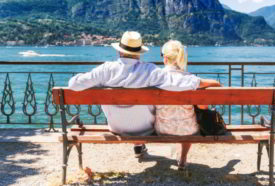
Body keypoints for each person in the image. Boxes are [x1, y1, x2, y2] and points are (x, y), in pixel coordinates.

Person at [68, 31, 217, 159]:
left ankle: (138, 146)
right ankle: (140, 144)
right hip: (145, 129)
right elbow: (177, 82)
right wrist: (203, 82)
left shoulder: (105, 70)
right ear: (139, 52)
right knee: (144, 112)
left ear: (119, 50)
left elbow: (73, 84)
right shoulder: (149, 70)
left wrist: (94, 77)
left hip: (116, 128)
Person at [155, 40, 221, 170]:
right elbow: (217, 84)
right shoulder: (191, 80)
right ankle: (183, 158)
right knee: (189, 119)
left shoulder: (155, 77)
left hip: (161, 130)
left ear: (165, 58)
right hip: (188, 131)